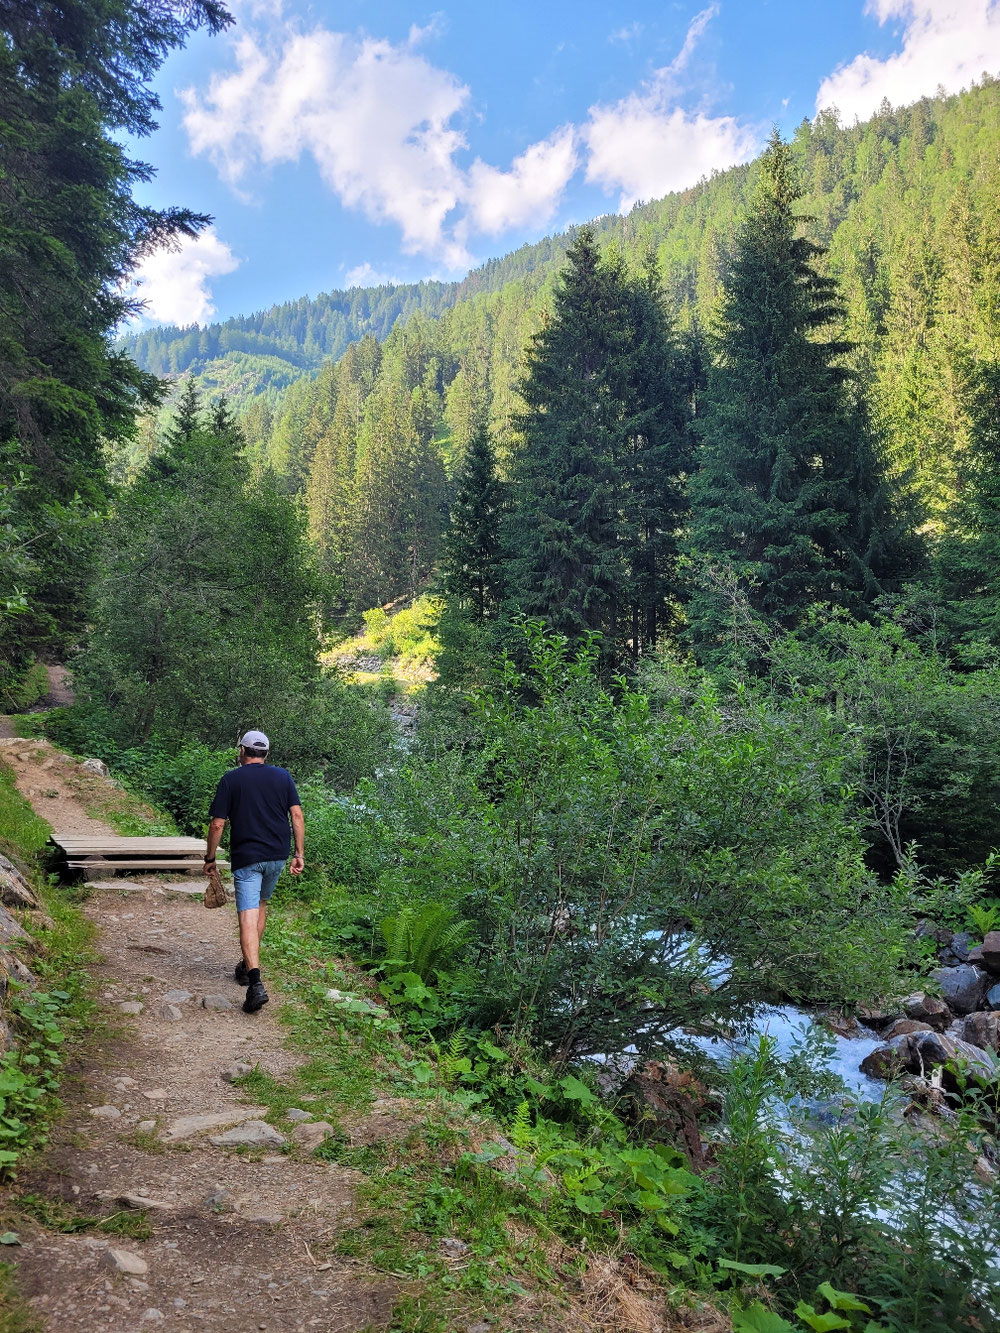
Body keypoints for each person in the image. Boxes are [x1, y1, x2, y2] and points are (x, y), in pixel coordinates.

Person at [204, 730, 304, 1014]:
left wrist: (210, 857)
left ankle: (255, 984)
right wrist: (299, 854)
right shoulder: (283, 777)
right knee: (260, 906)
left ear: (242, 751)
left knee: (247, 915)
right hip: (277, 856)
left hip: (248, 857)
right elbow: (296, 815)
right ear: (266, 754)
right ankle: (248, 966)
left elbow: (217, 825)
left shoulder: (231, 779)